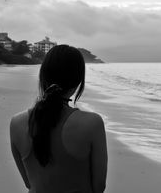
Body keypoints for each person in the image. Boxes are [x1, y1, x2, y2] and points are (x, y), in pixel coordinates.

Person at [9, 45, 108, 193]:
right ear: (78, 82)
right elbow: (99, 187)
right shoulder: (92, 124)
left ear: (43, 76)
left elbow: (29, 183)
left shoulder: (16, 123)